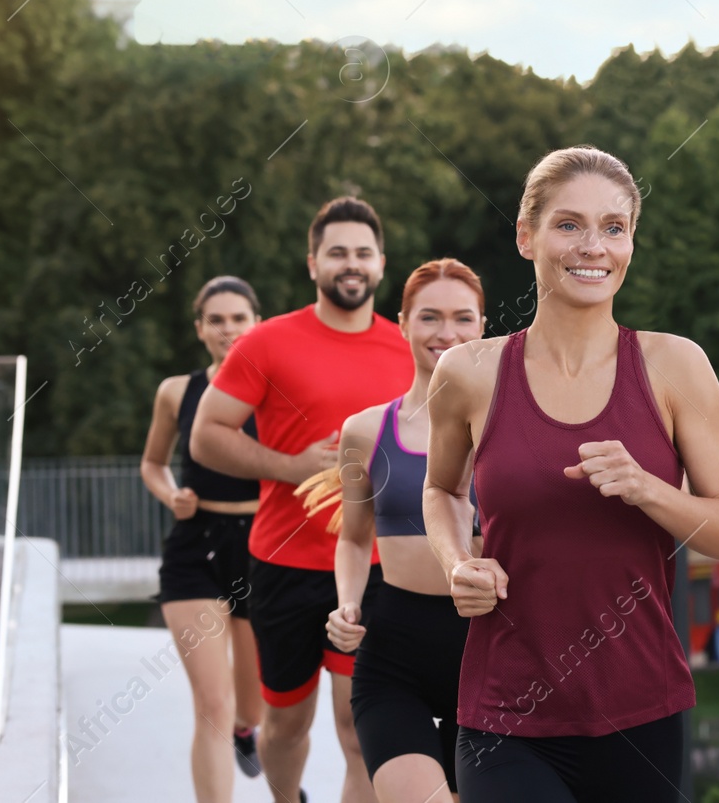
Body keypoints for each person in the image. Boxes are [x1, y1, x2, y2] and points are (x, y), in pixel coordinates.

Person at [423, 145, 719, 803]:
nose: (593, 246)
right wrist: (457, 559)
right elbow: (441, 488)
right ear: (527, 236)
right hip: (505, 712)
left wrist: (647, 488)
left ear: (631, 240)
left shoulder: (676, 365)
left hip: (642, 712)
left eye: (614, 226)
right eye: (569, 224)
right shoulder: (467, 372)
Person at [193, 197, 415, 803]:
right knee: (286, 726)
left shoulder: (407, 349)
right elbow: (207, 437)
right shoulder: (266, 343)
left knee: (359, 730)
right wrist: (292, 467)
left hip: (374, 570)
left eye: (363, 253)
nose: (351, 264)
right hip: (283, 566)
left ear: (381, 264)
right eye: (337, 252)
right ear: (312, 262)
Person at [319, 258, 487, 803]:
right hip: (396, 655)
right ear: (403, 323)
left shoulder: (510, 430)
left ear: (483, 325)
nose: (447, 333)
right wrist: (348, 604)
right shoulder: (364, 431)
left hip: (492, 655)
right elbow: (352, 535)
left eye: (463, 318)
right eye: (429, 317)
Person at [141, 275, 266, 801]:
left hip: (264, 545)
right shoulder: (176, 391)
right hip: (196, 545)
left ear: (256, 323)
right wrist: (172, 497)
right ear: (200, 329)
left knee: (253, 700)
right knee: (211, 705)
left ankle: (247, 730)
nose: (228, 329)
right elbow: (151, 464)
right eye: (216, 320)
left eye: (238, 318)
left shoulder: (276, 388)